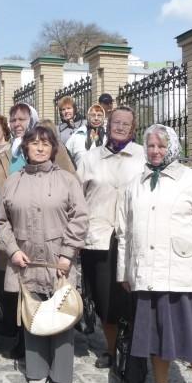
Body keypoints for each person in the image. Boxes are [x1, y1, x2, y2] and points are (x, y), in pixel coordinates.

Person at [116, 124, 192, 383]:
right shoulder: (136, 183)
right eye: (150, 146)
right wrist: (124, 271)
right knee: (154, 335)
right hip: (147, 273)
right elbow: (124, 232)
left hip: (184, 274)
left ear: (173, 147)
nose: (155, 151)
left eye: (161, 146)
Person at [0, 125, 89, 383]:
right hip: (26, 261)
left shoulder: (67, 180)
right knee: (33, 314)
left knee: (62, 313)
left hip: (59, 261)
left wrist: (67, 253)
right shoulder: (13, 181)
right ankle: (36, 370)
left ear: (53, 148)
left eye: (45, 143)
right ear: (25, 147)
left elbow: (80, 218)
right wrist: (12, 250)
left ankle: (62, 374)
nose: (40, 148)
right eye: (34, 143)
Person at [77, 106, 145, 368]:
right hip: (98, 238)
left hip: (135, 238)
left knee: (133, 297)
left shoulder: (143, 156)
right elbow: (76, 197)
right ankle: (111, 348)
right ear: (107, 124)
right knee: (106, 300)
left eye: (126, 123)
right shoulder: (90, 158)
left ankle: (135, 349)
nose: (120, 127)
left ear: (133, 128)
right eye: (116, 122)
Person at [0, 102, 40, 359]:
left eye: (22, 119)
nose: (17, 124)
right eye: (14, 119)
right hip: (8, 228)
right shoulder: (3, 154)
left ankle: (34, 338)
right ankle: (18, 333)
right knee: (12, 283)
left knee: (34, 284)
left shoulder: (46, 146)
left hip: (37, 228)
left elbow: (66, 181)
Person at [66, 103, 106, 168]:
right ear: (88, 117)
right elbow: (66, 158)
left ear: (103, 117)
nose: (96, 118)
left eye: (99, 115)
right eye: (93, 115)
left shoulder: (108, 137)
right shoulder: (77, 135)